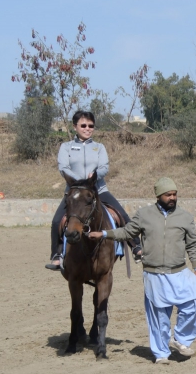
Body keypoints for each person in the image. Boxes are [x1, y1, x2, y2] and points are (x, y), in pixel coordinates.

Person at [88, 177, 196, 364]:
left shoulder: (185, 217)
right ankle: (161, 354)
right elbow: (126, 232)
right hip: (154, 273)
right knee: (159, 315)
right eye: (168, 195)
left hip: (179, 271)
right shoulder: (144, 215)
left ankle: (180, 339)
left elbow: (193, 244)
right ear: (159, 196)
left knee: (194, 304)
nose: (172, 197)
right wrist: (104, 234)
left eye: (175, 194)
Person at [47, 110, 141, 269]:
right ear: (75, 126)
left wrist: (95, 175)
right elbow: (63, 167)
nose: (87, 128)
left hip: (98, 190)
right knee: (57, 220)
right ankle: (56, 255)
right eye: (83, 125)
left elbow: (105, 167)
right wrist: (80, 182)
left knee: (122, 215)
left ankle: (136, 247)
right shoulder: (66, 147)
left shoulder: (99, 147)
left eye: (91, 126)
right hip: (75, 192)